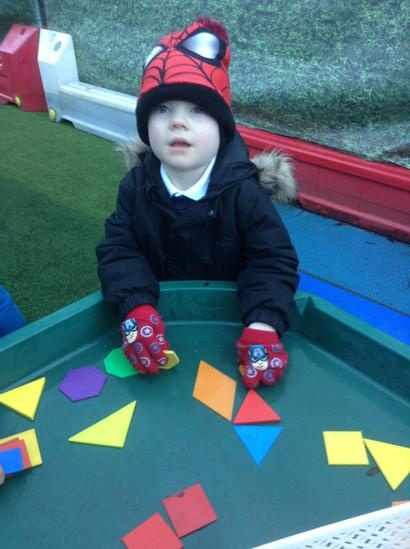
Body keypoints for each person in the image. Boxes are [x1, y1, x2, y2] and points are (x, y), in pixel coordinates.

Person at [96, 17, 299, 389]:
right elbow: (119, 249)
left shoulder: (245, 193)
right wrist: (135, 305)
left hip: (226, 329)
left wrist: (263, 324)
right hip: (161, 323)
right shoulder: (135, 187)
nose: (178, 123)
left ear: (222, 127)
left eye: (197, 109)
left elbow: (271, 260)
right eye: (162, 109)